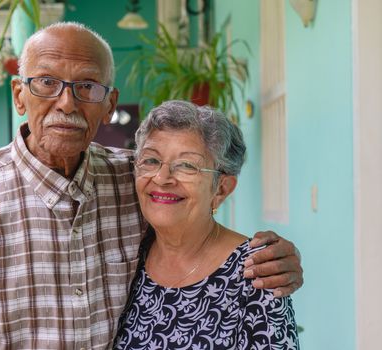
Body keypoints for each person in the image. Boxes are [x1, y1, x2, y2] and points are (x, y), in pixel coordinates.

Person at [0, 22, 302, 350]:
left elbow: (191, 215)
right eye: (46, 82)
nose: (66, 103)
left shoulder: (132, 179)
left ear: (110, 105)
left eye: (87, 87)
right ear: (19, 94)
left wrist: (279, 257)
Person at [113, 100, 299, 349]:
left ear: (221, 189)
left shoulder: (257, 272)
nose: (162, 178)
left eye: (187, 166)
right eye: (151, 161)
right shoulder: (130, 256)